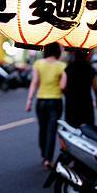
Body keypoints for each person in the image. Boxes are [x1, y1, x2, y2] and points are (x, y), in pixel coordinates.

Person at [25, 42, 67, 170]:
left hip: (41, 101)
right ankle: (48, 159)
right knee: (51, 130)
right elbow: (63, 86)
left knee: (42, 128)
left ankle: (44, 154)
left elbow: (34, 82)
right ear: (57, 51)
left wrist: (29, 100)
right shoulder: (62, 66)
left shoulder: (38, 64)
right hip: (55, 101)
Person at [64, 50, 97, 128]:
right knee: (87, 130)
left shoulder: (68, 68)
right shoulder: (89, 68)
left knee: (72, 129)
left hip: (71, 104)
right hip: (86, 104)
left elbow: (63, 86)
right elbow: (96, 87)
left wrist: (68, 95)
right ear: (87, 56)